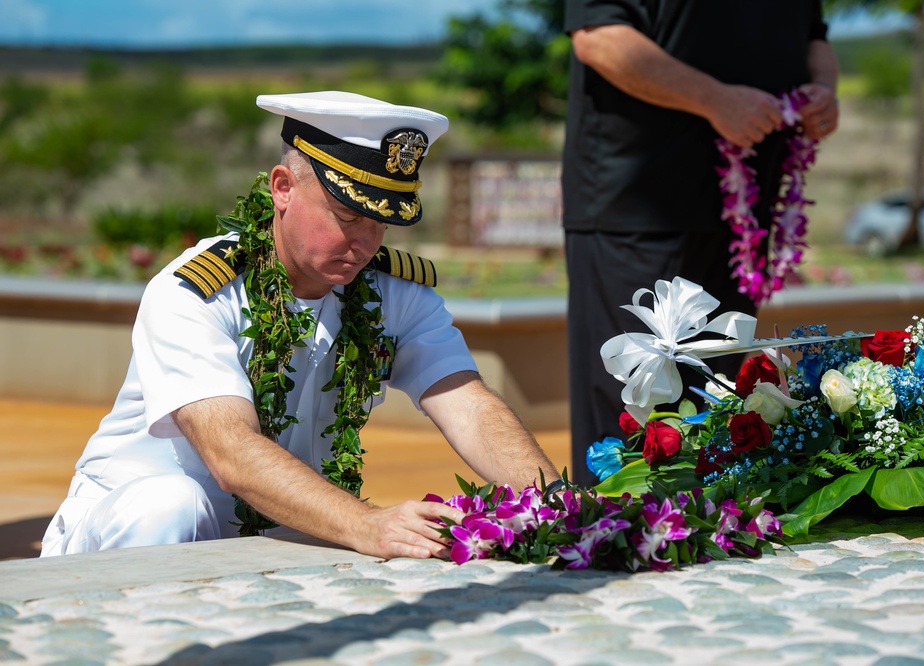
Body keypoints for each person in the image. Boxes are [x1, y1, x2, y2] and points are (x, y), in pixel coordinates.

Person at [41, 91, 560, 559]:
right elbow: (230, 453)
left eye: (382, 222)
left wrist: (560, 509)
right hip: (120, 537)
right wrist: (366, 524)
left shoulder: (391, 292)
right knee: (170, 505)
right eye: (348, 216)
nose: (366, 243)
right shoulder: (195, 292)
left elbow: (468, 405)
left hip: (264, 544)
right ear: (283, 187)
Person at [561, 0, 840, 485]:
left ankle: (721, 544)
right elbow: (599, 36)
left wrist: (824, 92)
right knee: (633, 416)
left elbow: (813, 34)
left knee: (728, 408)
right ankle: (618, 545)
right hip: (638, 211)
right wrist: (716, 100)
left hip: (740, 223)